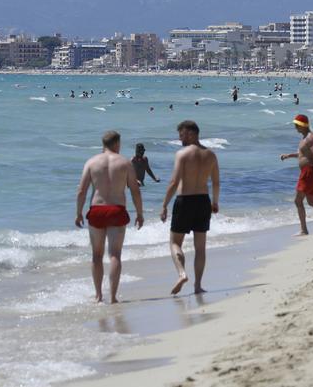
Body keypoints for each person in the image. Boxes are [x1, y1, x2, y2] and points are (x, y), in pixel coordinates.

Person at [75, 130, 144, 304]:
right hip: (117, 209)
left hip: (97, 210)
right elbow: (135, 190)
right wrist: (140, 213)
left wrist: (78, 213)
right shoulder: (125, 162)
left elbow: (81, 190)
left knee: (96, 256)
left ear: (103, 144)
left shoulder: (91, 162)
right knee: (115, 255)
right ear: (117, 144)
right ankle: (113, 297)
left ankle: (98, 296)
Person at [159, 121, 220, 295]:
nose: (180, 139)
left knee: (175, 242)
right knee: (200, 248)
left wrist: (164, 205)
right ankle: (198, 286)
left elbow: (173, 182)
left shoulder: (182, 154)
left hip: (184, 201)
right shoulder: (211, 155)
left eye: (182, 135)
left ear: (192, 134)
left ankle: (182, 273)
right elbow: (216, 182)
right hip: (203, 201)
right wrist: (215, 202)